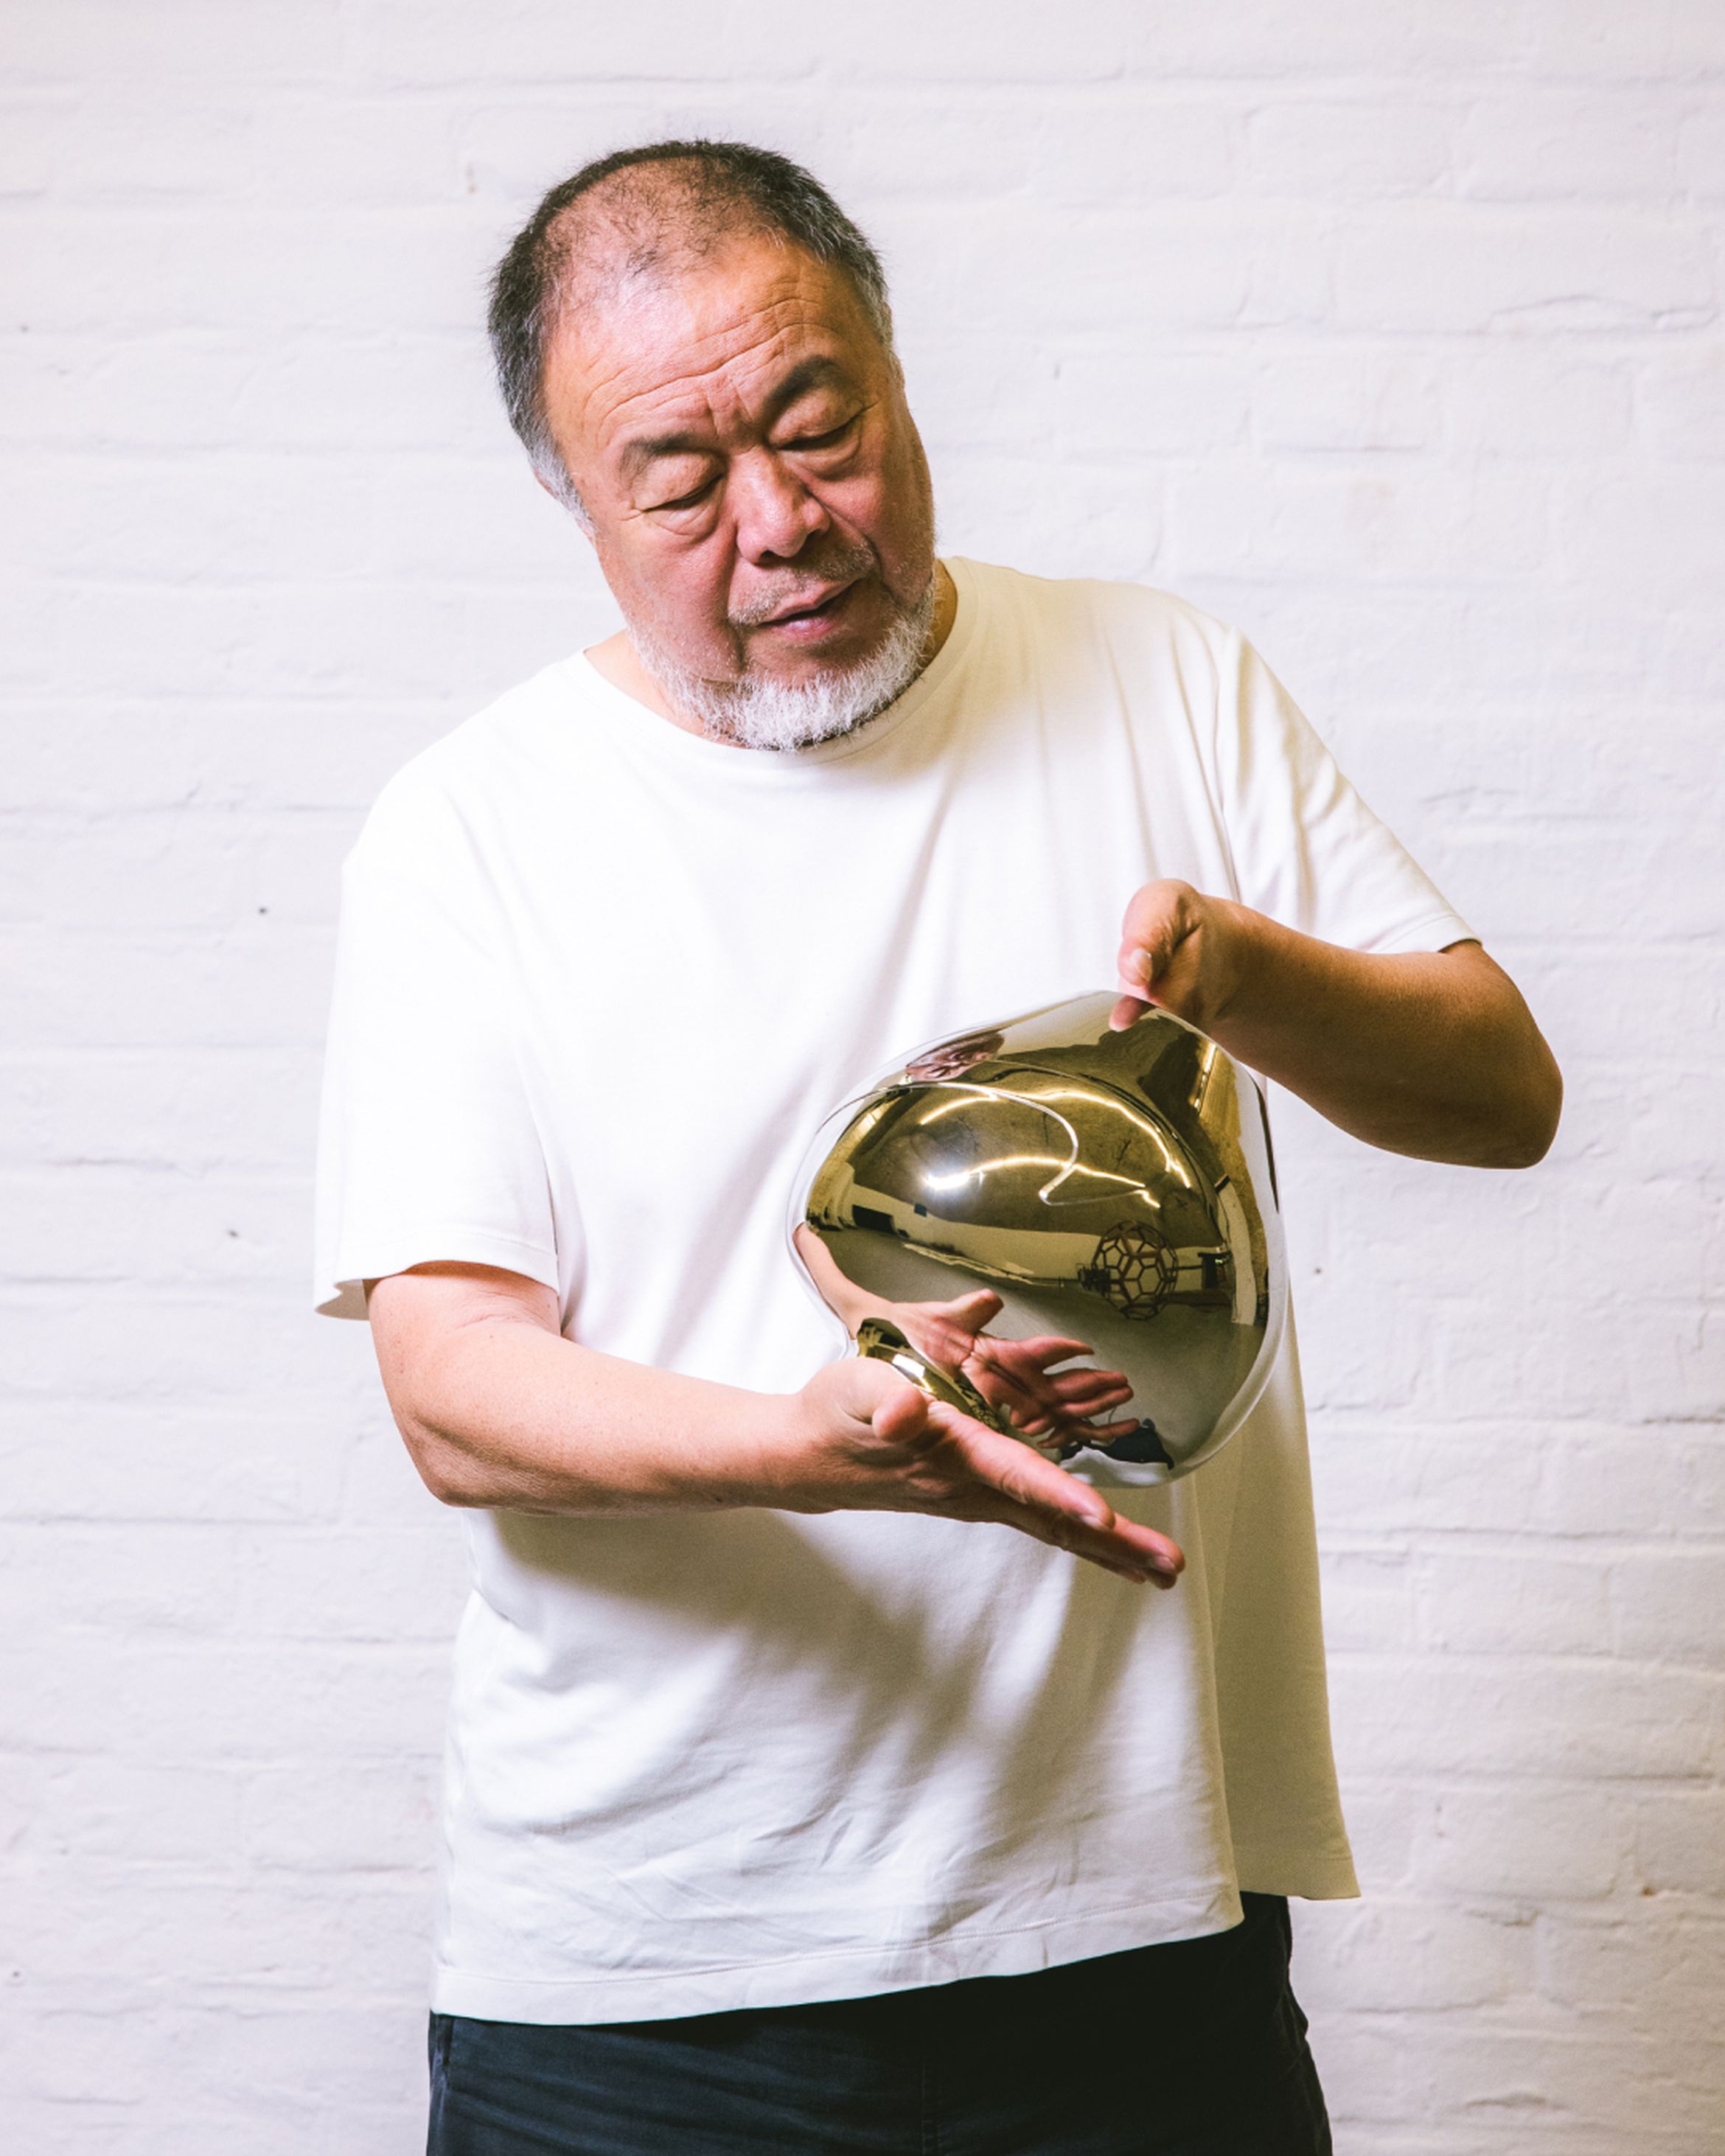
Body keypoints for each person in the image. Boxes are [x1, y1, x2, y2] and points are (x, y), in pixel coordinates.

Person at [315, 140, 1561, 2156]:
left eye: (823, 430)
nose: (786, 524)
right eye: (682, 479)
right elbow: (453, 1388)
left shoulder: (1161, 680)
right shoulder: (473, 830)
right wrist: (825, 1453)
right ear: (575, 500)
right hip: (654, 1988)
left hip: (1136, 1926)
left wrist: (1241, 970)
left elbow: (1499, 1096)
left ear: (898, 379)